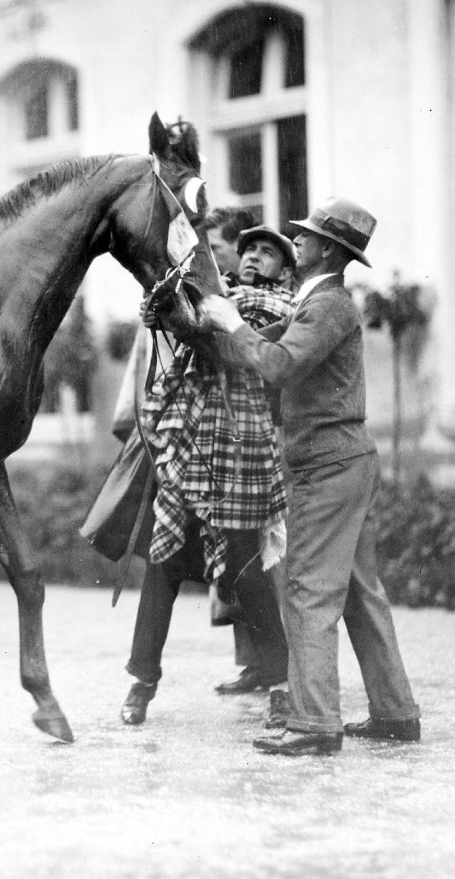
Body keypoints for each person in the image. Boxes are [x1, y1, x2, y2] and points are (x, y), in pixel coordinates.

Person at [200, 196, 420, 756]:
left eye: (304, 236)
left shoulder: (326, 306)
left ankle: (314, 721)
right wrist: (204, 321)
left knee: (305, 590)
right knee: (359, 593)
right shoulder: (314, 306)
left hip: (327, 464)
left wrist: (230, 320)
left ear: (329, 249)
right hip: (343, 460)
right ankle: (395, 712)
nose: (294, 240)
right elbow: (263, 344)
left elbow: (277, 364)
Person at [118, 222, 294, 730]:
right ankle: (141, 681)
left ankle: (281, 685)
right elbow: (190, 321)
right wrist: (164, 310)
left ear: (285, 269)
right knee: (164, 559)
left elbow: (230, 345)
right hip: (192, 439)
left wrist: (183, 321)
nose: (257, 257)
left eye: (269, 252)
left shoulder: (278, 310)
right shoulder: (222, 298)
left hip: (241, 446)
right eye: (250, 250)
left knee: (246, 567)